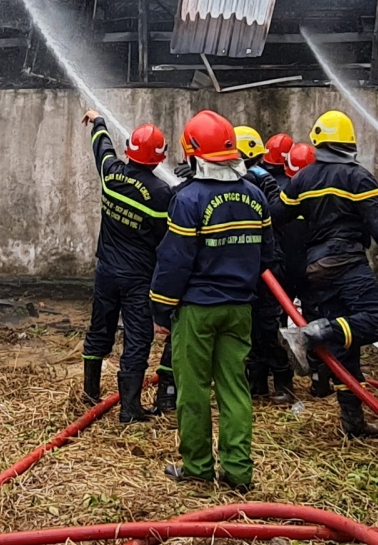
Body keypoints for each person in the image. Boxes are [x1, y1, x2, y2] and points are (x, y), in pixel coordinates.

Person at [275, 111, 378, 437]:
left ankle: (353, 424)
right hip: (346, 263)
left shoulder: (303, 179)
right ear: (350, 141)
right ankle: (312, 333)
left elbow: (276, 214)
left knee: (346, 349)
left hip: (316, 270)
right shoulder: (357, 178)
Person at [149, 110, 275, 490]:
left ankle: (198, 467)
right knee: (235, 388)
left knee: (193, 390)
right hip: (240, 309)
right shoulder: (255, 196)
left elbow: (174, 261)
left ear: (193, 155)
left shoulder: (188, 200)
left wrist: (161, 309)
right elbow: (268, 256)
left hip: (197, 310)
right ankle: (238, 472)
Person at [80, 110, 175, 422]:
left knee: (99, 329)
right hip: (138, 279)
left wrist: (98, 122)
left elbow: (102, 147)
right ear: (159, 158)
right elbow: (167, 238)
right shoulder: (161, 194)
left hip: (106, 271)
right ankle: (130, 410)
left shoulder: (111, 173)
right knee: (137, 339)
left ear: (129, 150)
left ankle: (89, 394)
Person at [235, 126, 295, 404]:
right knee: (250, 329)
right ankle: (256, 382)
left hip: (267, 264)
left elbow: (273, 216)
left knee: (269, 327)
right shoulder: (237, 180)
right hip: (246, 264)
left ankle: (284, 382)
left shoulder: (264, 181)